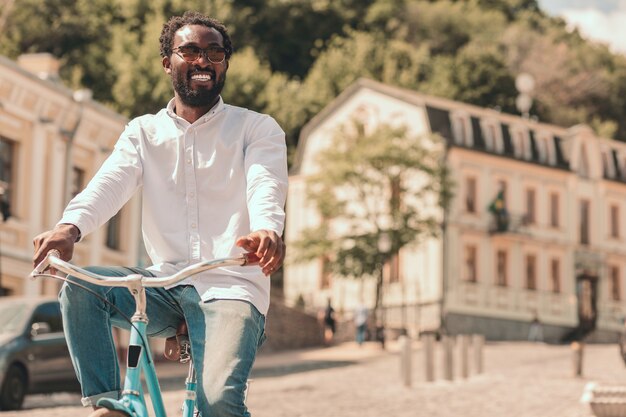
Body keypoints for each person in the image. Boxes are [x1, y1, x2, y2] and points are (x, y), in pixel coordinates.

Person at [32, 11, 287, 417]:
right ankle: (109, 407)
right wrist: (70, 227)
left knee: (219, 403)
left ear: (224, 64)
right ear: (168, 62)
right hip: (163, 283)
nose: (203, 61)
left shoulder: (256, 128)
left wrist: (266, 229)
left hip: (231, 284)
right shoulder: (142, 132)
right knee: (81, 290)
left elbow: (265, 183)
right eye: (190, 51)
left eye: (215, 53)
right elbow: (110, 182)